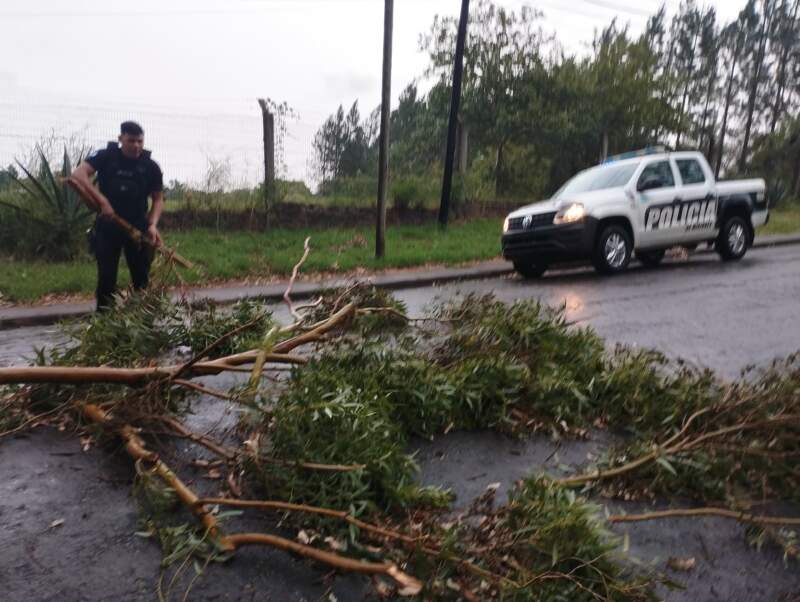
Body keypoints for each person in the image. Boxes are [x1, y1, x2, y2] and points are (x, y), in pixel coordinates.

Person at [72, 121, 164, 310]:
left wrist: (152, 224)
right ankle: (104, 324)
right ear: (121, 138)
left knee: (141, 279)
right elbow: (79, 175)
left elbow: (158, 199)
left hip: (138, 229)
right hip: (108, 226)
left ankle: (143, 323)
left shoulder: (150, 166)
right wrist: (102, 201)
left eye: (140, 141)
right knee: (106, 279)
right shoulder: (107, 156)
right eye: (131, 141)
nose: (136, 145)